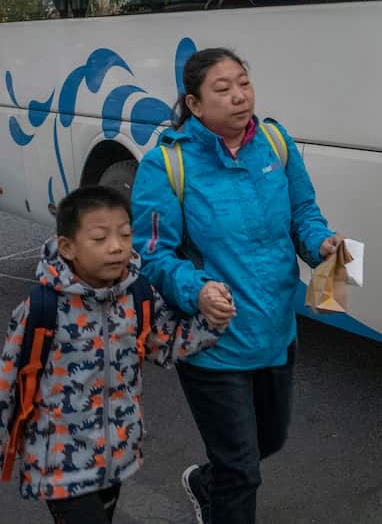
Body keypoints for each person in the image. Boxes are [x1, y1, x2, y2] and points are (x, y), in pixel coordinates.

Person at [131, 47, 345, 524]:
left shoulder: (275, 142)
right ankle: (222, 488)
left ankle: (206, 482)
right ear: (194, 104)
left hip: (275, 331)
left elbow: (303, 215)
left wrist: (321, 245)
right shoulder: (166, 166)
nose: (238, 97)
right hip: (213, 342)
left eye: (243, 83)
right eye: (222, 89)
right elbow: (154, 256)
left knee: (269, 440)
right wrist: (198, 291)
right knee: (242, 470)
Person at [0, 186, 226, 523]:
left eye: (125, 235)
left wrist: (212, 322)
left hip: (116, 458)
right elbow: (1, 391)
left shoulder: (138, 296)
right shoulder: (42, 309)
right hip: (59, 467)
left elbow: (168, 346)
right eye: (100, 238)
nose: (116, 247)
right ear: (68, 247)